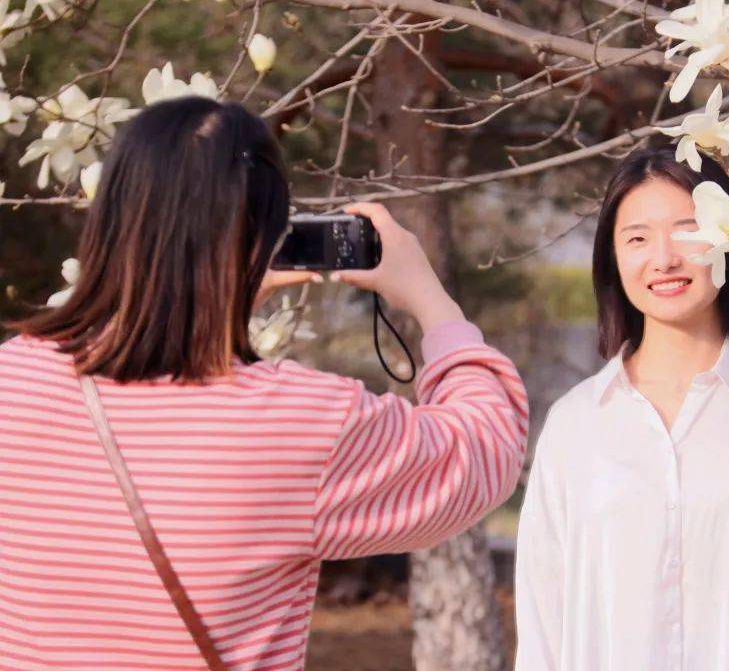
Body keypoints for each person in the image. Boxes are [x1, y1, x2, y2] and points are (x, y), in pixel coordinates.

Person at [0, 97, 528, 669]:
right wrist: (430, 298)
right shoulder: (301, 422)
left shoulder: (14, 379)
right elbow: (485, 450)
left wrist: (219, 306)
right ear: (262, 239)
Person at [514, 145, 729, 671]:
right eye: (637, 238)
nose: (665, 258)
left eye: (689, 230)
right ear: (613, 258)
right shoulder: (575, 425)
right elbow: (543, 627)